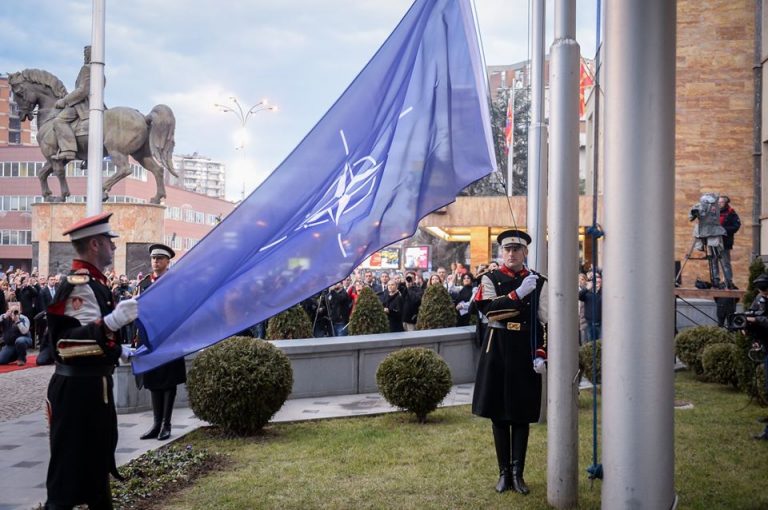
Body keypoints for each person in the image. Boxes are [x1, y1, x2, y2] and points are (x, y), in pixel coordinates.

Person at [45, 212, 137, 509]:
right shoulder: (80, 283)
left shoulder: (94, 282)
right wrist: (110, 324)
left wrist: (117, 350)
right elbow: (66, 344)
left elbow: (94, 340)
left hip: (92, 387)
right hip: (77, 391)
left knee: (97, 465)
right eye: (110, 242)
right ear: (95, 244)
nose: (113, 247)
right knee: (66, 474)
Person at [472, 229, 547, 495]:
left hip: (524, 349)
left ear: (525, 252)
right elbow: (489, 311)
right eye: (507, 249)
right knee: (499, 414)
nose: (512, 253)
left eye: (517, 249)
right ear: (501, 252)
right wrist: (517, 296)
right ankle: (503, 472)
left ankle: (518, 473)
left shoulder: (538, 281)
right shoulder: (490, 278)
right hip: (498, 349)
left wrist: (541, 351)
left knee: (521, 413)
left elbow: (544, 320)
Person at [134, 244, 186, 441]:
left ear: (167, 261)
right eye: (153, 258)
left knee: (169, 381)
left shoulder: (174, 282)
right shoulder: (144, 283)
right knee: (154, 382)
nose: (155, 262)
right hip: (149, 339)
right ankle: (156, 424)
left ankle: (166, 424)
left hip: (169, 338)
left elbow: (180, 308)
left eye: (160, 259)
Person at [52, 45, 94, 161]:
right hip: (97, 104)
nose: (85, 57)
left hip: (83, 105)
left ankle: (68, 150)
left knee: (59, 120)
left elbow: (82, 90)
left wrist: (65, 100)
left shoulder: (86, 68)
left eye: (86, 54)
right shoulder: (100, 70)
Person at [745, 273, 768, 440]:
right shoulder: (759, 298)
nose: (763, 293)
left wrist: (756, 319)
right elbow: (750, 314)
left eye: (766, 290)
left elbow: (760, 319)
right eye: (761, 291)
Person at [717, 195, 741, 289]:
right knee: (714, 261)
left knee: (725, 262)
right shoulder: (714, 212)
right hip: (713, 241)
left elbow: (736, 226)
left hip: (725, 241)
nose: (719, 204)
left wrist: (723, 230)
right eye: (718, 202)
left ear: (726, 203)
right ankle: (716, 281)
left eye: (721, 202)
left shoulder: (731, 212)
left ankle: (728, 281)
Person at [578, 272, 602, 341]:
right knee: (590, 345)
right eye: (595, 281)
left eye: (598, 280)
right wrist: (587, 289)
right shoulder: (587, 293)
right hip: (589, 325)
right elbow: (579, 296)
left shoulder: (603, 292)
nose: (597, 282)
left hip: (601, 324)